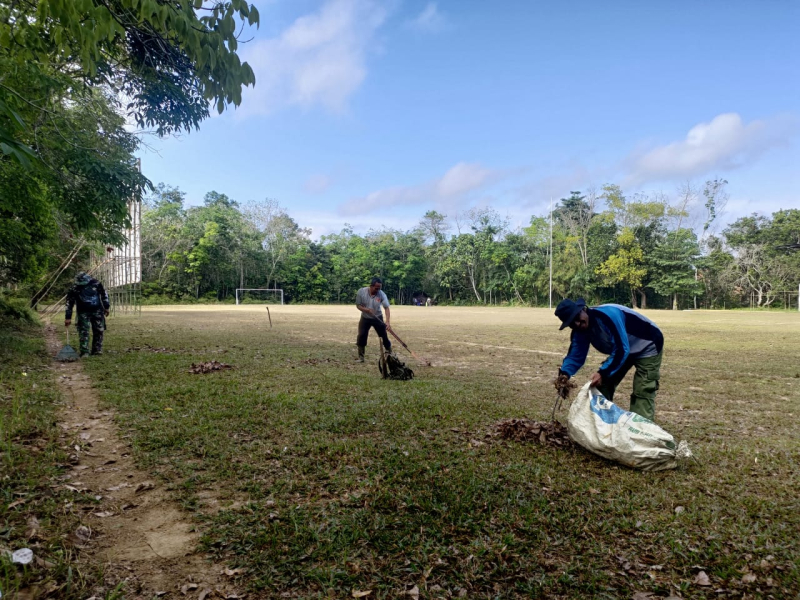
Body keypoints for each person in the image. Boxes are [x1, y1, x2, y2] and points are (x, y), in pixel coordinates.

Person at [555, 298, 663, 421]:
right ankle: (601, 425)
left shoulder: (608, 316)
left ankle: (642, 430)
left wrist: (602, 373)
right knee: (602, 386)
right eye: (572, 323)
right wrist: (564, 375)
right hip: (623, 349)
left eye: (577, 318)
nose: (577, 324)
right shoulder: (580, 330)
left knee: (642, 390)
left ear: (583, 309)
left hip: (648, 344)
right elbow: (575, 355)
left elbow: (622, 349)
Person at [65, 272, 110, 358]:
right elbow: (69, 303)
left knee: (99, 330)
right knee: (83, 331)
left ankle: (97, 350)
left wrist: (106, 306)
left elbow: (104, 294)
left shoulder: (96, 283)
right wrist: (68, 317)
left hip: (97, 311)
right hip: (83, 312)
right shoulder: (74, 288)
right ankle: (84, 351)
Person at [355, 277, 392, 362]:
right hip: (365, 318)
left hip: (377, 317)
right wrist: (366, 310)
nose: (378, 290)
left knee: (384, 336)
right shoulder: (361, 292)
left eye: (379, 288)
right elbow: (358, 305)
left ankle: (390, 353)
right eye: (376, 288)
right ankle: (361, 357)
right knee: (361, 336)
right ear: (371, 286)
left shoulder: (381, 294)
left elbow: (386, 308)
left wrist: (387, 322)